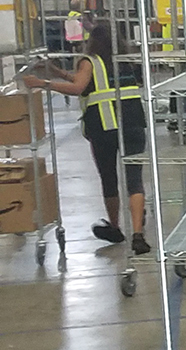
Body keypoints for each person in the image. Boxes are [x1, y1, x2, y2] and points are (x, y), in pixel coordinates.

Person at [24, 21, 148, 252]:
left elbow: (80, 87)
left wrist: (43, 82)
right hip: (133, 125)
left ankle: (114, 227)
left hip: (104, 128)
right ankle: (138, 234)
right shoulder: (127, 62)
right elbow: (92, 82)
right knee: (135, 181)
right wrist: (59, 72)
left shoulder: (89, 61)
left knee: (109, 179)